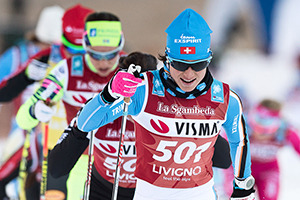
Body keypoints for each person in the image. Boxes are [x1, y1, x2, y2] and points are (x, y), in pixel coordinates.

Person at [76, 8, 255, 200]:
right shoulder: (144, 88)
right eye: (179, 64)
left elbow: (239, 141)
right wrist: (109, 94)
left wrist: (243, 186)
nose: (188, 74)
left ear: (209, 60)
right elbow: (85, 124)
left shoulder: (225, 98)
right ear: (167, 60)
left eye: (198, 65)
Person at [16, 11, 128, 200]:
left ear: (120, 46)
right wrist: (36, 110)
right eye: (95, 54)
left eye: (111, 55)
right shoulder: (67, 69)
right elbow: (23, 118)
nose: (103, 63)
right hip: (80, 160)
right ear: (85, 45)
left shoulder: (129, 68)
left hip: (120, 164)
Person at [0, 4, 93, 200]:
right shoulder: (38, 55)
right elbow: (5, 92)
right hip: (38, 138)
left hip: (86, 148)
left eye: (82, 52)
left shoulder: (102, 60)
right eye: (69, 50)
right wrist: (26, 77)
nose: (75, 58)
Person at [245, 99, 300, 200]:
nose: (261, 134)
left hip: (269, 169)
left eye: (266, 129)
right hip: (241, 169)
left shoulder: (285, 131)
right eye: (257, 127)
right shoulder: (239, 126)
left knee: (269, 197)